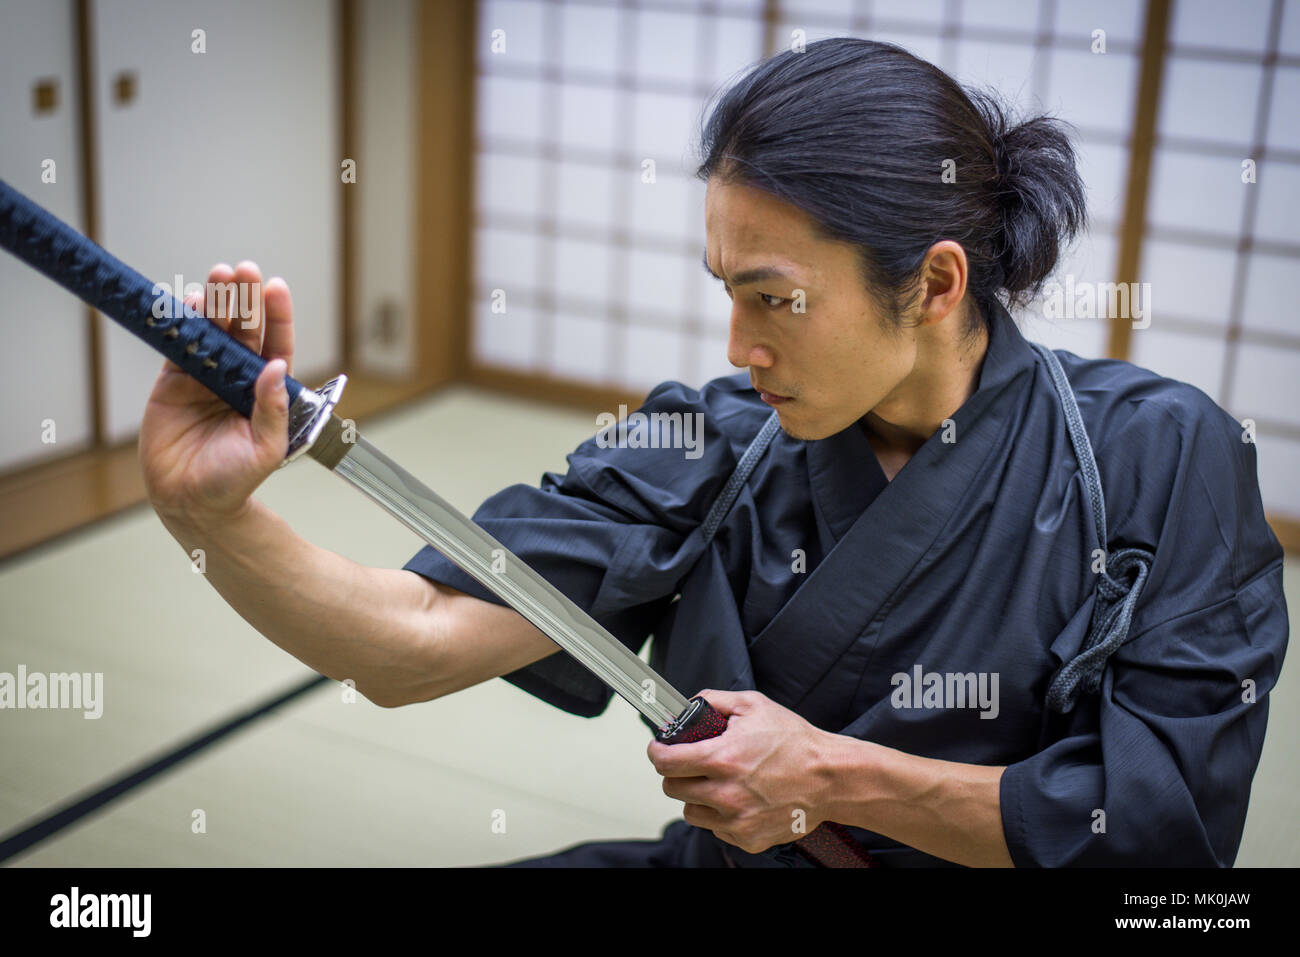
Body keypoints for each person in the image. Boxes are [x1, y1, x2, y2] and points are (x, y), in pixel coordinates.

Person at [139, 38, 1288, 867]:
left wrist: (836, 780)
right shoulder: (707, 436)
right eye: (726, 294)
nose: (738, 347)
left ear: (934, 284)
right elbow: (412, 643)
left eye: (775, 300)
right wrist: (212, 518)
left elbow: (1159, 848)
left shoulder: (1157, 458)